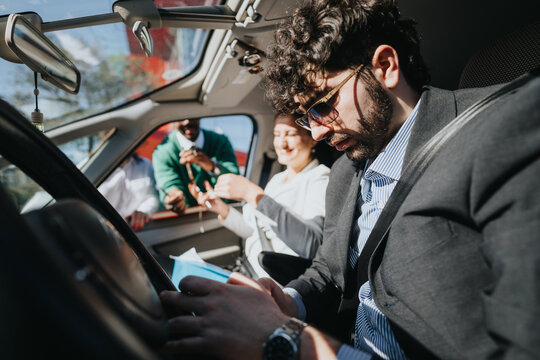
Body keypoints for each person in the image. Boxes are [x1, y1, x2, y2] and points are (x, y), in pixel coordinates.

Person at [159, 0, 540, 359]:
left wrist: (281, 339)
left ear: (386, 66)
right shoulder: (346, 171)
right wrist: (287, 301)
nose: (318, 133)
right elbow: (328, 270)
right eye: (307, 118)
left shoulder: (508, 129)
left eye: (324, 104)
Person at [194, 113, 330, 279]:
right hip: (249, 269)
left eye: (291, 134)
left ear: (312, 139)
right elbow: (254, 231)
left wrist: (252, 194)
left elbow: (312, 247)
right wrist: (222, 209)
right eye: (277, 135)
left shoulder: (320, 178)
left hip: (275, 282)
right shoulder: (277, 180)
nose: (281, 143)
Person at [152, 118, 239, 213]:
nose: (187, 122)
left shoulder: (220, 141)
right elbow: (168, 184)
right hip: (187, 220)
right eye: (181, 118)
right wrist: (175, 198)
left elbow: (236, 180)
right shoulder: (163, 151)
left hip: (224, 213)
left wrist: (211, 165)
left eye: (191, 116)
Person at [98, 153, 159, 231]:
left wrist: (143, 211)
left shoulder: (145, 165)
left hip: (134, 231)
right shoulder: (95, 165)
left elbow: (152, 197)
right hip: (101, 230)